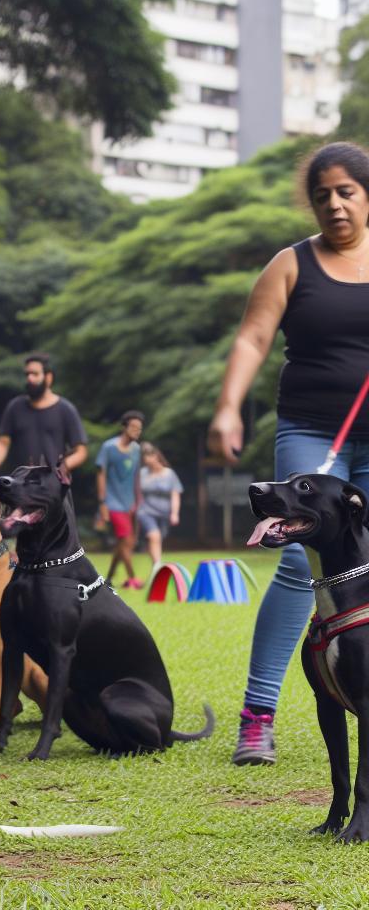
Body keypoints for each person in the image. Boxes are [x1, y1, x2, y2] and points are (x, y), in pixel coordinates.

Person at [208, 140, 369, 767]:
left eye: (346, 191)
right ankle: (258, 713)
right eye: (323, 194)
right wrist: (228, 406)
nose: (334, 204)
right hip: (309, 430)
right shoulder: (292, 264)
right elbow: (253, 336)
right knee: (301, 565)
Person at [0, 352, 88, 476]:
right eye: (27, 374)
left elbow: (81, 452)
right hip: (20, 485)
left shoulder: (65, 409)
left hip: (53, 488)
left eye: (35, 374)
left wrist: (60, 469)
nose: (29, 378)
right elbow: (2, 443)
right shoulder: (15, 407)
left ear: (48, 377)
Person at [95, 411, 145, 589]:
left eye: (139, 429)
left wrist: (138, 500)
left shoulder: (137, 450)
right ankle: (133, 578)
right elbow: (101, 474)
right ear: (124, 427)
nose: (136, 431)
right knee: (126, 540)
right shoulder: (109, 447)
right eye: (133, 427)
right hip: (112, 502)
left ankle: (108, 579)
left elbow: (136, 476)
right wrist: (102, 503)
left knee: (124, 542)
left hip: (129, 503)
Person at [137, 442, 182, 573]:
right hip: (145, 511)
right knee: (154, 536)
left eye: (149, 457)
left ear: (156, 456)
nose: (147, 461)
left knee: (158, 538)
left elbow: (175, 494)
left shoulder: (169, 474)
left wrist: (175, 513)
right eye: (145, 458)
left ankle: (155, 565)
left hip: (164, 513)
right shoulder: (142, 473)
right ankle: (157, 567)